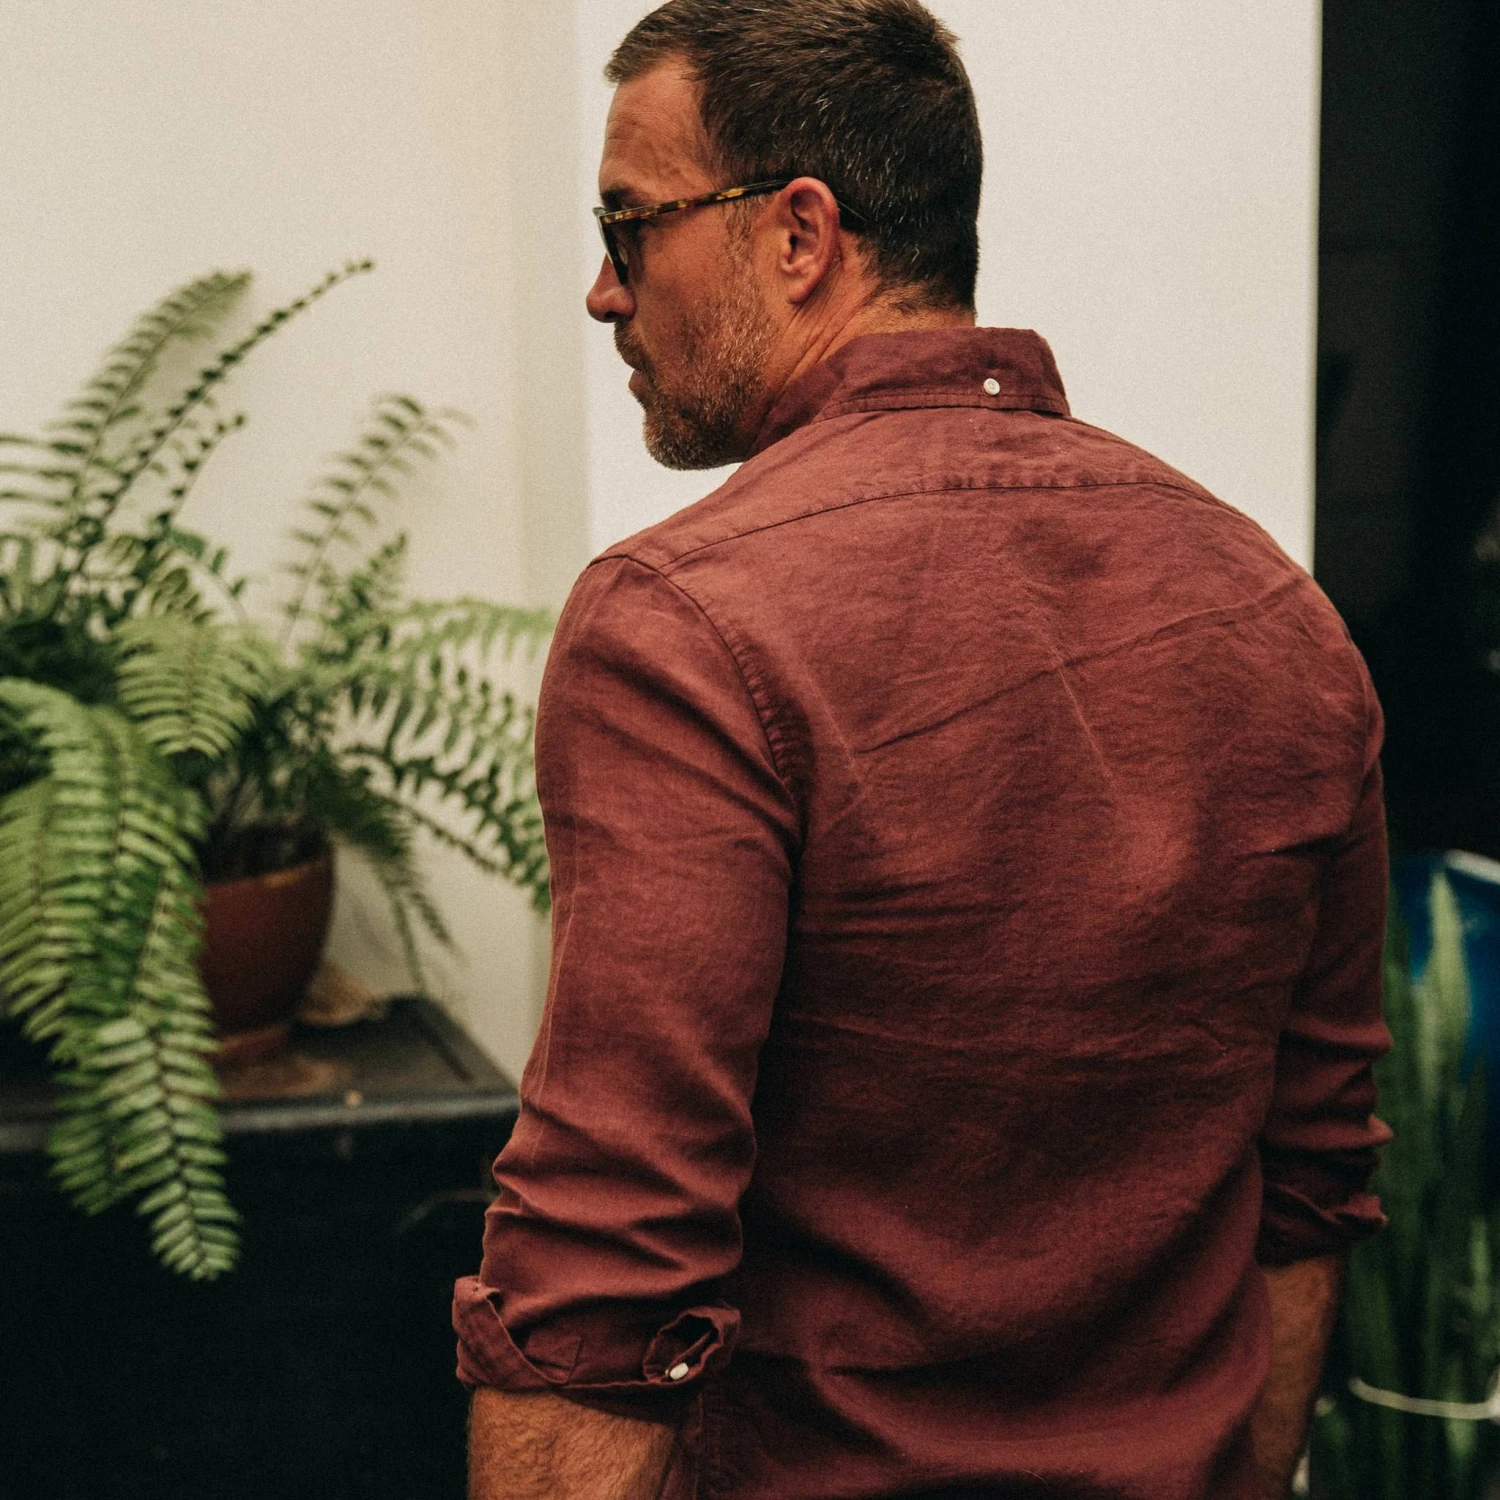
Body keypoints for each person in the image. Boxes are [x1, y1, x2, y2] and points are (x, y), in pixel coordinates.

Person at [454, 3, 1391, 1496]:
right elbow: (1311, 1182)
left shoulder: (685, 623)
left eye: (630, 227)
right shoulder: (1281, 612)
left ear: (799, 235)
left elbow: (606, 1259)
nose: (603, 290)